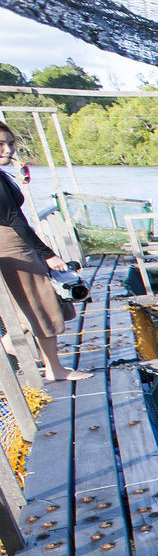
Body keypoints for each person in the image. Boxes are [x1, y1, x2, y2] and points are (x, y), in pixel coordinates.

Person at [0, 123, 89, 383]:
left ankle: (10, 343)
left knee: (26, 307)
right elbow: (15, 220)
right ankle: (54, 368)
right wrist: (48, 253)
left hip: (13, 245)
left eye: (10, 143)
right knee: (42, 303)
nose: (8, 149)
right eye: (1, 145)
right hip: (13, 245)